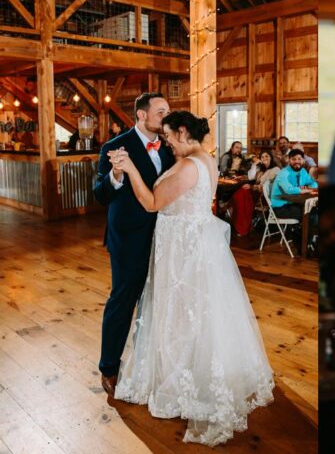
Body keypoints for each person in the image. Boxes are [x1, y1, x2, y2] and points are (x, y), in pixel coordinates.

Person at [106, 111, 274, 446]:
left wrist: (131, 170)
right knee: (194, 313)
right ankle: (188, 372)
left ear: (183, 132)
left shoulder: (187, 166)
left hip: (183, 251)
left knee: (181, 315)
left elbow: (153, 202)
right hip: (190, 244)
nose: (166, 140)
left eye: (169, 135)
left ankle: (184, 382)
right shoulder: (205, 159)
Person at [92, 92, 175, 397]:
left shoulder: (168, 146)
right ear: (141, 115)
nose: (165, 117)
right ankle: (109, 367)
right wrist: (115, 174)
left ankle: (147, 362)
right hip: (128, 240)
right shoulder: (114, 147)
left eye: (168, 111)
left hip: (164, 237)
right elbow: (100, 195)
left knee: (154, 301)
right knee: (122, 302)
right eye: (160, 112)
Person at [271, 148, 319, 246]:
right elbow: (288, 190)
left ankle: (307, 242)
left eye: (299, 159)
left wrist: (310, 186)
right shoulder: (283, 173)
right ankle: (305, 245)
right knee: (310, 215)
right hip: (280, 207)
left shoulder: (303, 172)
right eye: (294, 159)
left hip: (294, 203)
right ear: (289, 160)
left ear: (303, 160)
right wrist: (303, 190)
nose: (297, 161)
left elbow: (313, 183)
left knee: (315, 212)